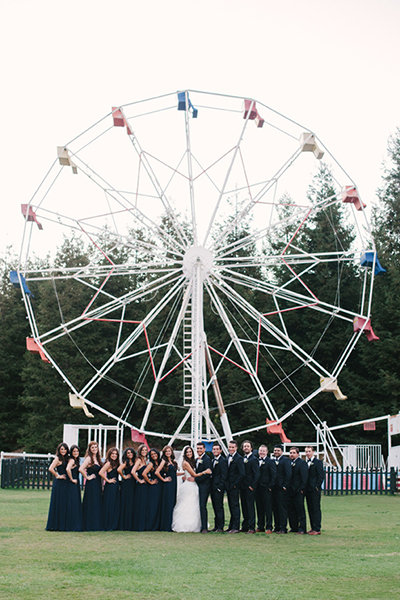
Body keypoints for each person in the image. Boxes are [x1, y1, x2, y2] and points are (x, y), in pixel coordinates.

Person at [172, 446, 202, 532]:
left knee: (194, 505)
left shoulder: (193, 461)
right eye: (187, 452)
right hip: (189, 486)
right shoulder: (185, 462)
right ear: (185, 454)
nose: (189, 453)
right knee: (187, 505)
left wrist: (183, 475)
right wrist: (205, 472)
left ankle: (195, 524)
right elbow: (194, 474)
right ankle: (185, 524)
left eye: (190, 452)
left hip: (193, 484)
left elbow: (188, 472)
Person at [80, 440, 104, 531]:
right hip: (92, 484)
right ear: (89, 449)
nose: (94, 449)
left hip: (98, 483)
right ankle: (89, 524)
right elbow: (81, 469)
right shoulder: (89, 458)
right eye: (92, 447)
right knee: (91, 503)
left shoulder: (98, 459)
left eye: (96, 447)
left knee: (97, 503)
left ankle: (96, 523)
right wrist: (87, 477)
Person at [46, 442, 69, 531]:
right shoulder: (57, 459)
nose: (63, 451)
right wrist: (57, 475)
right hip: (59, 483)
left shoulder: (67, 459)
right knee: (58, 502)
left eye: (65, 449)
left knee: (64, 503)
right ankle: (55, 525)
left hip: (66, 483)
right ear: (59, 450)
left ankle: (63, 523)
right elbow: (50, 468)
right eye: (61, 449)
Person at [255, 444, 276, 534]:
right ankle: (260, 526)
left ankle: (269, 527)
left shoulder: (270, 461)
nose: (262, 452)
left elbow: (274, 475)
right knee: (259, 508)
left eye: (263, 451)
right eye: (260, 451)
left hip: (266, 488)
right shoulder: (256, 461)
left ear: (267, 452)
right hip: (257, 488)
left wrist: (270, 486)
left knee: (268, 508)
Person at [156, 445, 177, 531]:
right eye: (166, 451)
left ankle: (170, 524)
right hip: (168, 485)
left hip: (174, 484)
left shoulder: (172, 461)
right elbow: (157, 472)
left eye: (169, 451)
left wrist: (184, 475)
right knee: (168, 504)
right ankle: (166, 526)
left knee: (172, 503)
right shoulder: (164, 461)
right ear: (164, 453)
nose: (168, 452)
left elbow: (173, 473)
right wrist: (163, 480)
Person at [287, 446, 308, 534]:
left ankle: (302, 528)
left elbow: (304, 477)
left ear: (298, 454)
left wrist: (301, 489)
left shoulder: (302, 463)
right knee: (291, 510)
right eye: (290, 453)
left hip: (298, 490)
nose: (292, 454)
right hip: (290, 490)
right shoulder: (289, 463)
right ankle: (294, 527)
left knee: (300, 510)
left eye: (293, 453)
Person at [240, 440, 259, 534]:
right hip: (243, 487)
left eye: (248, 446)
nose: (246, 448)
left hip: (250, 487)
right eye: (244, 446)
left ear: (251, 448)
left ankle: (252, 527)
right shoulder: (242, 458)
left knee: (250, 507)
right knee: (244, 507)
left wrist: (252, 486)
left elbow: (256, 474)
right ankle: (245, 526)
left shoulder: (254, 459)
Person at [225, 440, 245, 533]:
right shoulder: (227, 457)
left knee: (235, 506)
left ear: (236, 448)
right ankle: (231, 525)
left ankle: (236, 527)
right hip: (228, 486)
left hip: (235, 487)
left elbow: (242, 474)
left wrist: (235, 485)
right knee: (230, 506)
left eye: (233, 447)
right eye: (230, 447)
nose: (231, 449)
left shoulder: (239, 458)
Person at [271, 444, 291, 534]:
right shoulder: (272, 460)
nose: (276, 452)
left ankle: (283, 528)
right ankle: (277, 526)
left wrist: (284, 486)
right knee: (275, 508)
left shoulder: (285, 461)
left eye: (278, 450)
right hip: (274, 488)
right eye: (275, 450)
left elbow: (288, 474)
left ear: (282, 451)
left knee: (282, 508)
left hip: (281, 489)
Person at [100, 447, 120, 531]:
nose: (114, 455)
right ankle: (108, 525)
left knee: (115, 505)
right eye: (113, 454)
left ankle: (113, 524)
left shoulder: (116, 463)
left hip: (115, 486)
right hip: (110, 487)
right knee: (109, 505)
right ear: (109, 455)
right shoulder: (108, 463)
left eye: (116, 454)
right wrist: (108, 480)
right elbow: (101, 472)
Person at [305, 445, 324, 535]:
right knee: (310, 508)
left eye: (309, 451)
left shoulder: (318, 462)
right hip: (307, 489)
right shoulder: (305, 462)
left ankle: (317, 528)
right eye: (306, 451)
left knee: (315, 508)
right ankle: (312, 527)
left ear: (313, 452)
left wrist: (317, 486)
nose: (307, 453)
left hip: (315, 490)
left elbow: (321, 476)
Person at [195, 442, 213, 533]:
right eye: (197, 448)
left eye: (200, 448)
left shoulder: (207, 459)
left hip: (204, 486)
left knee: (203, 506)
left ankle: (204, 527)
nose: (199, 450)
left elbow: (208, 474)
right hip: (196, 486)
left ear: (204, 449)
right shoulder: (196, 459)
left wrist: (195, 479)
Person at [143, 448, 162, 531]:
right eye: (152, 455)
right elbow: (144, 474)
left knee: (158, 506)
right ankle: (150, 526)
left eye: (155, 454)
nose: (154, 456)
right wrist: (150, 482)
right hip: (154, 487)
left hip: (160, 486)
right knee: (153, 506)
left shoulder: (160, 462)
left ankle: (157, 525)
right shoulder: (151, 464)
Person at [210, 442, 228, 532]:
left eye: (217, 449)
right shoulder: (212, 460)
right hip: (212, 488)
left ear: (220, 450)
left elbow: (224, 475)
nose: (215, 451)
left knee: (219, 507)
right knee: (215, 507)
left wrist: (220, 487)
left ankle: (220, 527)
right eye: (214, 449)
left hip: (218, 488)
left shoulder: (223, 461)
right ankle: (216, 526)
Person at [117, 447, 136, 530]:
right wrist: (124, 477)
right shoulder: (126, 462)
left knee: (132, 502)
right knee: (126, 502)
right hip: (127, 483)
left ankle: (130, 523)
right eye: (128, 453)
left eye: (131, 452)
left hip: (133, 483)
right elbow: (119, 469)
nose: (130, 454)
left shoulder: (135, 462)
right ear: (126, 454)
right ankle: (125, 524)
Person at [65, 444, 83, 531]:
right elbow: (67, 469)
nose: (76, 453)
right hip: (72, 484)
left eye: (77, 451)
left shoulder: (76, 460)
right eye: (74, 451)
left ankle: (73, 523)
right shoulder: (72, 460)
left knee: (75, 503)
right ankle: (72, 524)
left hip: (75, 484)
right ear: (71, 453)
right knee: (73, 503)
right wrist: (72, 479)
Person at [132, 443, 148, 531]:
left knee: (144, 505)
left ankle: (143, 525)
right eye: (143, 450)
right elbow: (133, 471)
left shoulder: (145, 460)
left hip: (145, 485)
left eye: (146, 450)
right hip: (140, 486)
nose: (144, 452)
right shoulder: (138, 460)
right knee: (140, 505)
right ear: (140, 451)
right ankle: (138, 526)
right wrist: (139, 480)